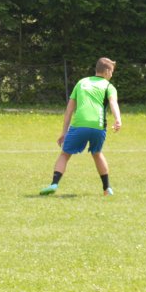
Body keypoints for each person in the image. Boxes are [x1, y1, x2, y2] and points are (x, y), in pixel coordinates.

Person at [40, 57, 123, 196]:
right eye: (112, 72)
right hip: (98, 126)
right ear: (107, 71)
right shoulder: (109, 86)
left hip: (79, 125)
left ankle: (54, 184)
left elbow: (69, 110)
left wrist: (64, 132)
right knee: (97, 153)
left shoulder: (81, 82)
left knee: (65, 154)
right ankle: (107, 188)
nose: (112, 75)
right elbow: (113, 103)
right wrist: (118, 119)